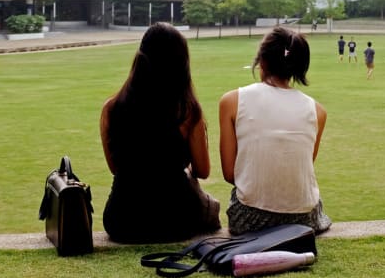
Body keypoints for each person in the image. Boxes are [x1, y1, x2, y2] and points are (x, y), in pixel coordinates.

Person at [100, 22, 220, 242]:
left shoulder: (111, 108)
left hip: (121, 220)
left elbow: (115, 168)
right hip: (176, 221)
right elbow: (202, 171)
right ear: (181, 62)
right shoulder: (187, 111)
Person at [218, 26, 331, 235]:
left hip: (249, 219)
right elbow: (296, 170)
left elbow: (230, 173)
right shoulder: (317, 111)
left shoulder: (232, 101)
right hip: (304, 219)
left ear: (262, 61)